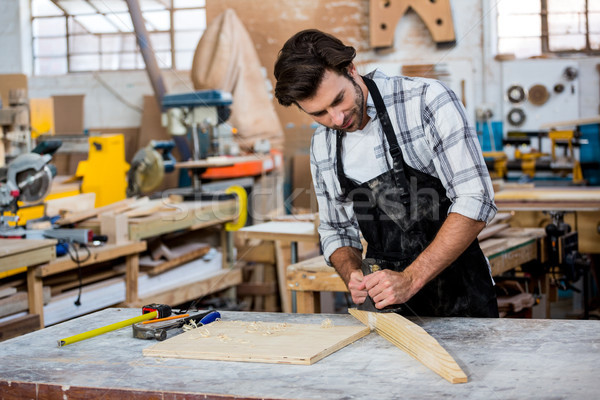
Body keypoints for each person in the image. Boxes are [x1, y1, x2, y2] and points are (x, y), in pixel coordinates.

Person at [274, 29, 499, 317]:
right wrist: (352, 272)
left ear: (352, 70)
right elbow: (336, 230)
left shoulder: (427, 101)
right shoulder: (323, 144)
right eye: (319, 114)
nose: (337, 118)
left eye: (338, 100)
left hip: (464, 299)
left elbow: (476, 199)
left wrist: (410, 278)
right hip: (388, 312)